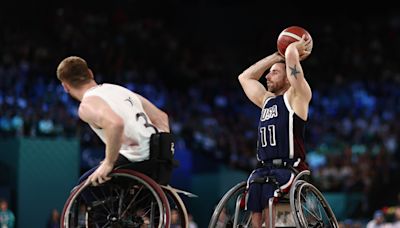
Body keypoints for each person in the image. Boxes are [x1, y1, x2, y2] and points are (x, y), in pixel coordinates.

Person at [56, 56, 170, 186]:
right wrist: (164, 150)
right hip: (161, 157)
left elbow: (115, 124)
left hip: (136, 161)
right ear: (90, 73)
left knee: (84, 185)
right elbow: (162, 117)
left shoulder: (86, 105)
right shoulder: (119, 89)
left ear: (65, 86)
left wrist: (108, 162)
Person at [238, 35, 312, 227]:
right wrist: (274, 56)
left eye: (274, 73)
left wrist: (292, 50)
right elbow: (244, 77)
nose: (267, 76)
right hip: (264, 168)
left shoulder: (297, 97)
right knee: (254, 197)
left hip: (290, 168)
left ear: (288, 77)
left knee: (271, 203)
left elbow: (293, 62)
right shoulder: (266, 101)